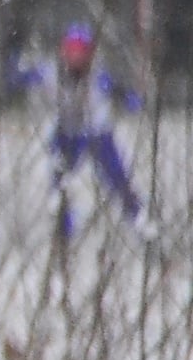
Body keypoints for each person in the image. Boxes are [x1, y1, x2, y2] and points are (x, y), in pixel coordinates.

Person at [9, 23, 156, 243]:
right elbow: (21, 78)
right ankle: (63, 231)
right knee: (60, 181)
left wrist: (132, 100)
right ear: (63, 50)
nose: (75, 56)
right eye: (71, 49)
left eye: (81, 50)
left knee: (118, 180)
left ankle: (141, 225)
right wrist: (15, 62)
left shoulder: (98, 76)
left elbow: (121, 93)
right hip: (67, 134)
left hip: (98, 134)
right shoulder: (51, 71)